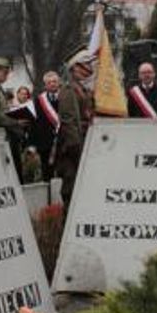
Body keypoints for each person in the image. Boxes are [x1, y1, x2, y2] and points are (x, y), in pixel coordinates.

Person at [56, 46, 96, 206]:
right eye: (83, 66)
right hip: (74, 150)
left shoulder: (83, 90)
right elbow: (69, 123)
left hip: (85, 144)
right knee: (71, 191)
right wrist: (79, 152)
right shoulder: (68, 90)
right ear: (74, 68)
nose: (88, 69)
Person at [31, 71, 63, 182]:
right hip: (45, 142)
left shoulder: (66, 97)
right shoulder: (39, 101)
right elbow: (34, 123)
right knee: (47, 172)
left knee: (63, 172)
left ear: (59, 83)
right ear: (45, 85)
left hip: (63, 141)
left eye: (54, 81)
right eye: (49, 82)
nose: (52, 84)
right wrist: (33, 144)